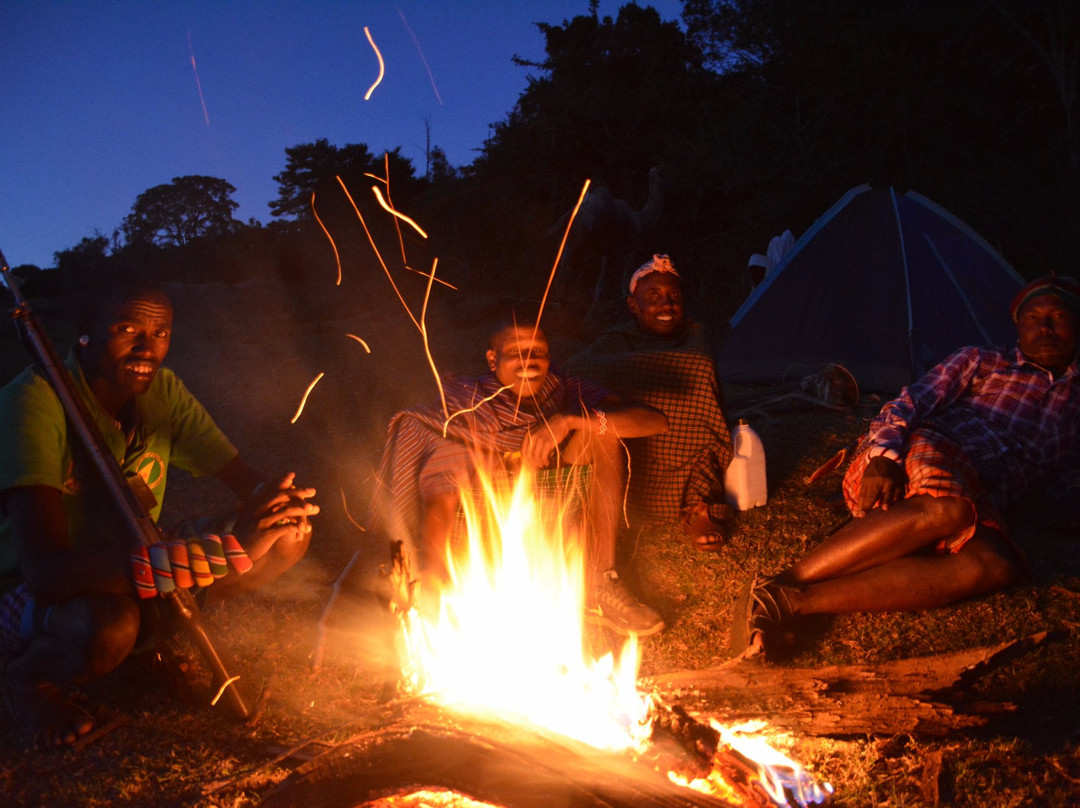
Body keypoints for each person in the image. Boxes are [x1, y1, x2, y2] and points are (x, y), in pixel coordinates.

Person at [0, 279, 319, 748]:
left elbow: (239, 476)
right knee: (109, 626)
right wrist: (225, 554)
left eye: (161, 333)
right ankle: (27, 680)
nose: (148, 348)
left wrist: (271, 498)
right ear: (85, 333)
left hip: (133, 553)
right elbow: (49, 572)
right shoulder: (32, 401)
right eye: (128, 329)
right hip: (33, 583)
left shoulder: (161, 391)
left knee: (288, 532)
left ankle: (148, 641)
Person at [730, 274, 1080, 659]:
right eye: (1033, 317)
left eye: (1058, 316)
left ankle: (789, 603)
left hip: (983, 490)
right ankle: (776, 584)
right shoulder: (984, 361)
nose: (1044, 327)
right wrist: (883, 457)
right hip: (932, 445)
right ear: (1018, 326)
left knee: (994, 564)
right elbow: (909, 403)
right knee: (950, 507)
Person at [368, 315, 669, 636]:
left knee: (602, 431)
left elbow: (655, 421)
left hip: (552, 519)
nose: (530, 360)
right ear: (492, 359)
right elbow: (440, 494)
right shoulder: (467, 406)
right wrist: (433, 573)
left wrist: (571, 420)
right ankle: (467, 596)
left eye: (538, 351)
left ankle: (597, 584)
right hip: (481, 538)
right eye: (516, 351)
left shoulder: (561, 388)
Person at [565, 255, 735, 549]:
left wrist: (637, 379)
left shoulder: (694, 335)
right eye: (653, 297)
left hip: (689, 448)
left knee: (697, 372)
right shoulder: (618, 339)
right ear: (634, 305)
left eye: (674, 296)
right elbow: (580, 368)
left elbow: (698, 368)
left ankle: (698, 507)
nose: (666, 305)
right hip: (633, 444)